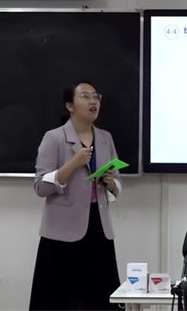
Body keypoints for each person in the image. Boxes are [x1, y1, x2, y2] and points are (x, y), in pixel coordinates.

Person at [29, 81, 123, 310]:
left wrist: (112, 184)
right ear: (70, 105)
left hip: (98, 229)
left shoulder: (105, 138)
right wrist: (72, 164)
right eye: (85, 96)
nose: (93, 101)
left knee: (100, 298)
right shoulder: (54, 138)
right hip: (62, 235)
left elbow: (117, 182)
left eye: (96, 96)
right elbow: (40, 187)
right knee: (60, 300)